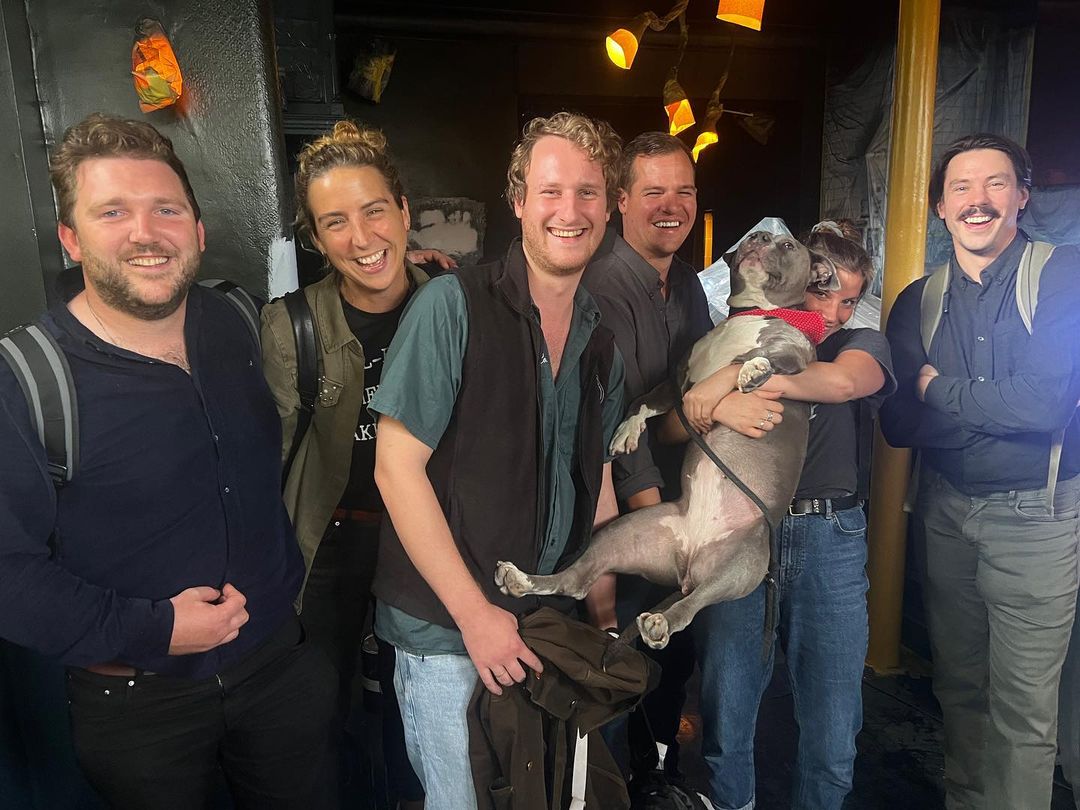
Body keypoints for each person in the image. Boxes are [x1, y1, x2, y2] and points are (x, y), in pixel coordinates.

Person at [0, 114, 336, 808]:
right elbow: (8, 575)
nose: (145, 233)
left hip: (278, 667)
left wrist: (415, 275)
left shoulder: (239, 320)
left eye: (166, 209)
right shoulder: (25, 377)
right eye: (112, 212)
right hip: (138, 704)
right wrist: (156, 631)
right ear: (71, 238)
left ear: (199, 230)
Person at [367, 111, 626, 810]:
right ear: (518, 202)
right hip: (447, 633)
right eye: (550, 191)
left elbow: (597, 477)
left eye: (588, 192)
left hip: (541, 628)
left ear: (609, 207)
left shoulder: (601, 341)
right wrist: (476, 616)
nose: (569, 211)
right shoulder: (452, 306)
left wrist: (602, 610)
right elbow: (395, 469)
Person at [880, 133, 1080, 810]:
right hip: (945, 510)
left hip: (1037, 517)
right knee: (959, 689)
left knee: (1024, 708)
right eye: (960, 187)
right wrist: (1000, 408)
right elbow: (898, 422)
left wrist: (939, 389)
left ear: (1022, 196)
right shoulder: (917, 300)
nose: (978, 199)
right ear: (940, 206)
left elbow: (1046, 405)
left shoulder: (1063, 276)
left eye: (996, 183)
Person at [680, 220, 895, 810]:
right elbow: (685, 411)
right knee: (727, 707)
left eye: (849, 299)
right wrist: (720, 386)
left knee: (832, 724)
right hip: (743, 525)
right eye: (823, 292)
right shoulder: (744, 332)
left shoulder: (859, 343)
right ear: (797, 280)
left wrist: (732, 378)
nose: (834, 312)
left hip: (829, 534)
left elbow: (841, 383)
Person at [260, 121, 435, 809]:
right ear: (316, 237)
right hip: (329, 547)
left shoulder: (454, 307)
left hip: (426, 543)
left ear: (404, 212)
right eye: (336, 222)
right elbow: (267, 461)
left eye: (374, 211)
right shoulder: (292, 327)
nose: (362, 238)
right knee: (321, 723)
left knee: (421, 716)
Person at [581, 131, 713, 775]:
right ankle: (618, 787)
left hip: (676, 506)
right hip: (622, 510)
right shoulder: (604, 282)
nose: (672, 205)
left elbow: (701, 382)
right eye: (654, 191)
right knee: (616, 664)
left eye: (684, 191)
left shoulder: (685, 281)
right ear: (621, 200)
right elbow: (618, 425)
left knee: (673, 660)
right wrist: (667, 537)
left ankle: (656, 777)